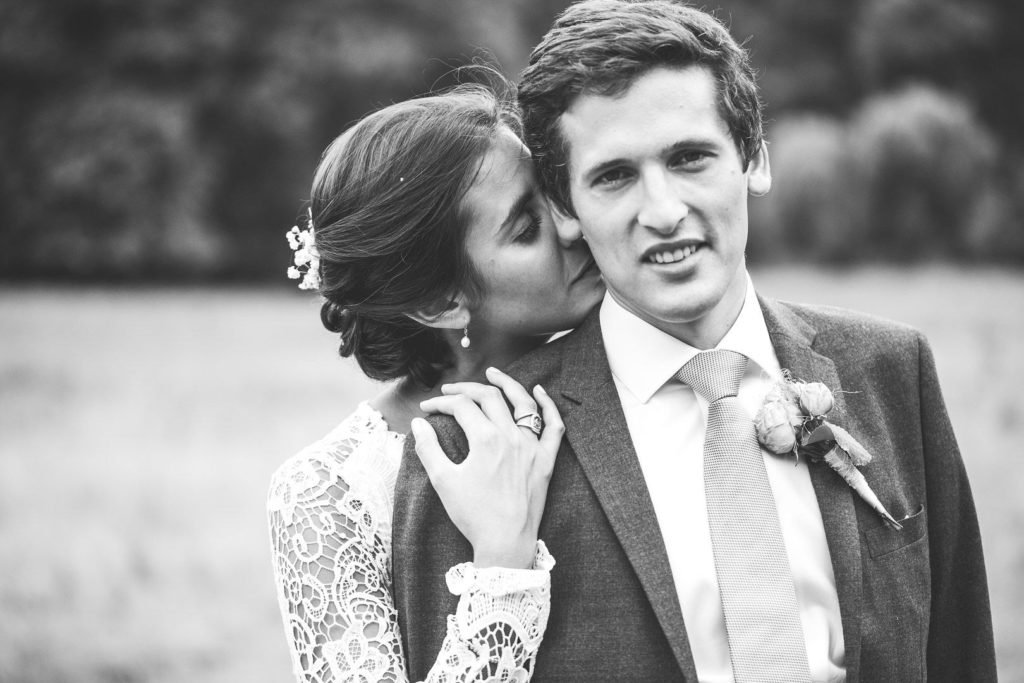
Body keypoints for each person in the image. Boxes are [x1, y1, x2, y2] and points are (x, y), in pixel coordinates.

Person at [393, 1, 997, 681]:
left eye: (690, 158)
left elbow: (961, 654)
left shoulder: (892, 369)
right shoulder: (474, 454)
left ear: (754, 157)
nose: (664, 211)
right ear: (565, 208)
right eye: (615, 175)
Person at [267, 83, 605, 682]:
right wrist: (503, 564)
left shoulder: (630, 376)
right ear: (440, 301)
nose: (574, 225)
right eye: (527, 227)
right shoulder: (328, 495)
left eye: (552, 194)